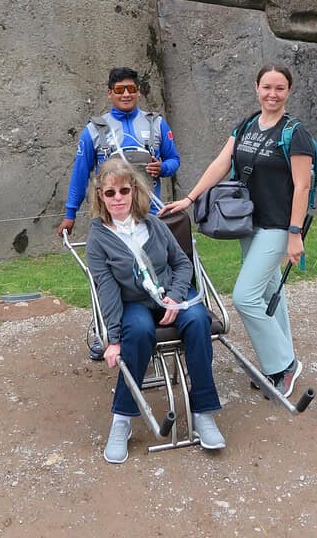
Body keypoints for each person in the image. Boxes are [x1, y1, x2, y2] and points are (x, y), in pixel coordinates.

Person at [160, 64, 314, 398]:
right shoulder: (246, 125)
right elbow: (221, 163)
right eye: (267, 87)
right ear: (256, 88)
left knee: (245, 297)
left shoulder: (294, 132)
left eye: (280, 88)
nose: (272, 94)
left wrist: (295, 232)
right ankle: (283, 363)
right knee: (271, 293)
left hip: (277, 227)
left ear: (289, 91)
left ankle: (283, 365)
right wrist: (190, 198)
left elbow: (302, 186)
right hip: (250, 223)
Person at [86, 158, 224, 463]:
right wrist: (113, 339)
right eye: (110, 193)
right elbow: (106, 289)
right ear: (101, 197)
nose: (118, 198)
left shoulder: (154, 225)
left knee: (199, 319)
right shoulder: (98, 238)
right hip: (133, 302)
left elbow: (182, 263)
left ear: (134, 191)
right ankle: (121, 421)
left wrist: (175, 296)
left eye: (124, 190)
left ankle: (203, 413)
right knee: (138, 332)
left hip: (171, 294)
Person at [56, 67, 180, 237]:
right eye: (120, 90)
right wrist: (70, 214)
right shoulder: (93, 130)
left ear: (138, 93)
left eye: (132, 89)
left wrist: (162, 168)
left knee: (153, 262)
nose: (126, 94)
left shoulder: (156, 124)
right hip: (109, 217)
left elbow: (174, 160)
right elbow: (80, 174)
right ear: (110, 93)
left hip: (149, 213)